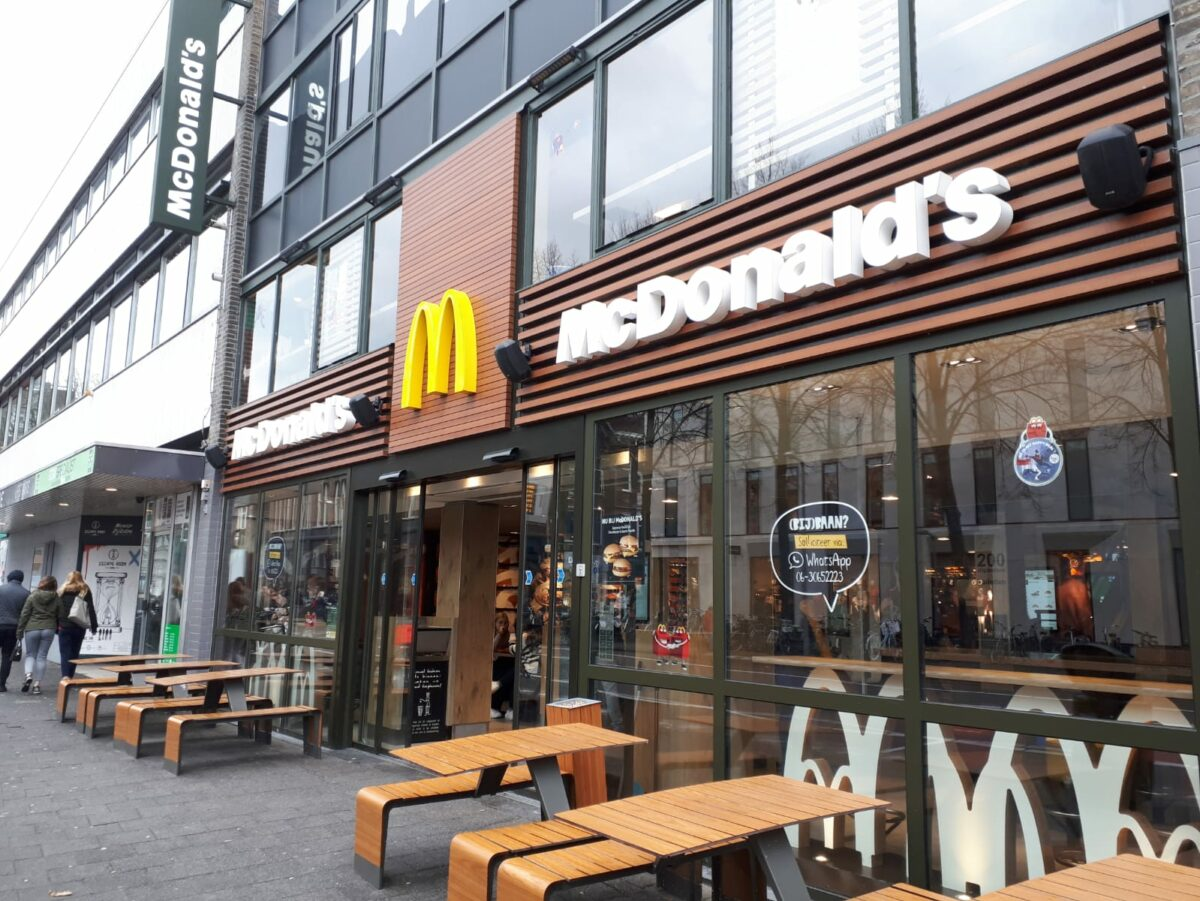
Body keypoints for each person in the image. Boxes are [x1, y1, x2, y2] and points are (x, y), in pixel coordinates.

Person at [17, 576, 64, 695]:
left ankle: (28, 675)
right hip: (49, 628)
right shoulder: (56, 598)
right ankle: (37, 685)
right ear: (54, 585)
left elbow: (24, 614)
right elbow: (61, 614)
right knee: (42, 656)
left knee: (30, 654)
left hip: (32, 628)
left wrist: (19, 631)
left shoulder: (33, 596)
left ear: (41, 583)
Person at [57, 570, 98, 679]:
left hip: (64, 626)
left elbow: (56, 610)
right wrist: (94, 626)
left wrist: (56, 625)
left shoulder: (61, 591)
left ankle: (65, 676)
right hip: (79, 626)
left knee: (65, 652)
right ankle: (70, 676)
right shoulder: (85, 591)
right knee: (75, 652)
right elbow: (91, 609)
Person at [0, 570, 30, 692]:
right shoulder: (26, 593)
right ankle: (1, 684)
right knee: (7, 656)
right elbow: (26, 613)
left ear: (9, 578)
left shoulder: (1, 589)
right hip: (13, 627)